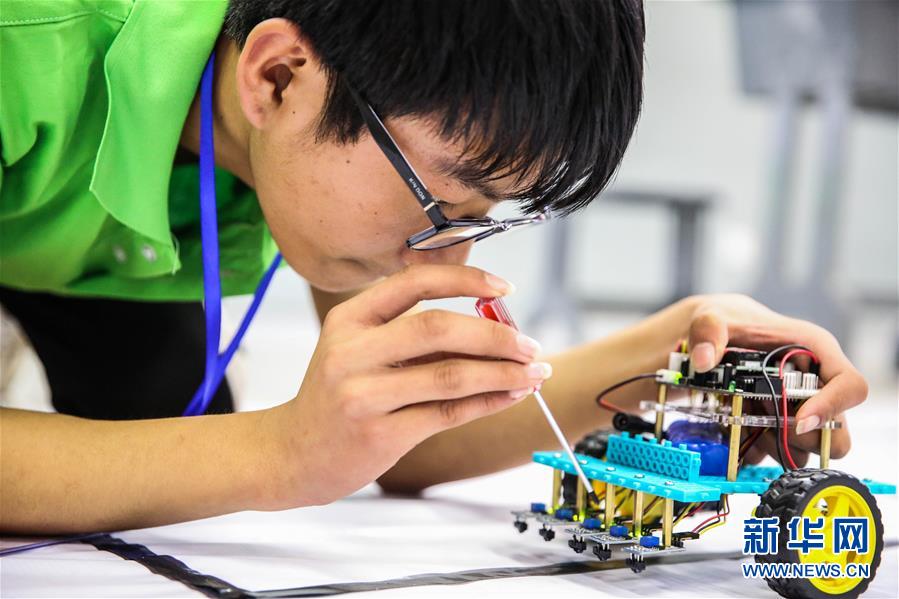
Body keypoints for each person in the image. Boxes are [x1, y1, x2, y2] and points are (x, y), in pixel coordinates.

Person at [0, 0, 865, 534]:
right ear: (279, 75)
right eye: (440, 200)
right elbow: (291, 456)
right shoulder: (22, 46)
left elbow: (404, 447)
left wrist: (669, 357)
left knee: (159, 468)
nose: (449, 256)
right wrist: (276, 453)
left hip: (113, 258)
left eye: (483, 222)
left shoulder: (311, 143)